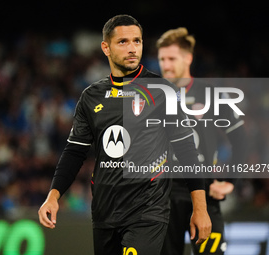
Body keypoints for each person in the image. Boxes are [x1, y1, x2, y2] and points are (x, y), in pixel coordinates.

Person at [38, 15, 211, 255]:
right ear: (105, 47)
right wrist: (53, 196)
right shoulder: (91, 97)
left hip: (147, 211)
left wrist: (200, 208)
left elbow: (186, 150)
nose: (132, 49)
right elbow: (75, 151)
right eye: (123, 42)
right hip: (104, 213)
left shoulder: (162, 92)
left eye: (137, 41)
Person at [156, 27, 247, 255]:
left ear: (188, 58)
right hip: (164, 196)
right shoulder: (152, 97)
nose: (165, 65)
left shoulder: (210, 93)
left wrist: (231, 181)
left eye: (171, 58)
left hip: (205, 194)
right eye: (161, 59)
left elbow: (241, 139)